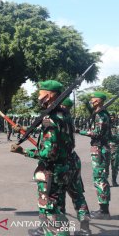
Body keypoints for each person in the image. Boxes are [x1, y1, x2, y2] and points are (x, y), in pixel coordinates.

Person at [11, 80, 71, 236]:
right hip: (62, 169)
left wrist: (24, 152)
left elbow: (49, 153)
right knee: (58, 209)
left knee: (50, 210)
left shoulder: (50, 119)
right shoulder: (64, 115)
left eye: (40, 93)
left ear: (49, 95)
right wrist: (24, 130)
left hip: (51, 171)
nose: (38, 96)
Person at [78, 92, 112, 219]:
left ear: (99, 101)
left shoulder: (101, 115)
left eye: (93, 99)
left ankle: (103, 211)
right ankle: (103, 209)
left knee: (100, 179)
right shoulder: (100, 113)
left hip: (100, 149)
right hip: (100, 148)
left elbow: (97, 133)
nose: (91, 101)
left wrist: (80, 131)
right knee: (101, 178)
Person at [60, 98, 91, 235]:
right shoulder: (69, 118)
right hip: (73, 159)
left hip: (61, 162)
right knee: (78, 196)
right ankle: (85, 229)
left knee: (57, 198)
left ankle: (60, 230)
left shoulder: (58, 118)